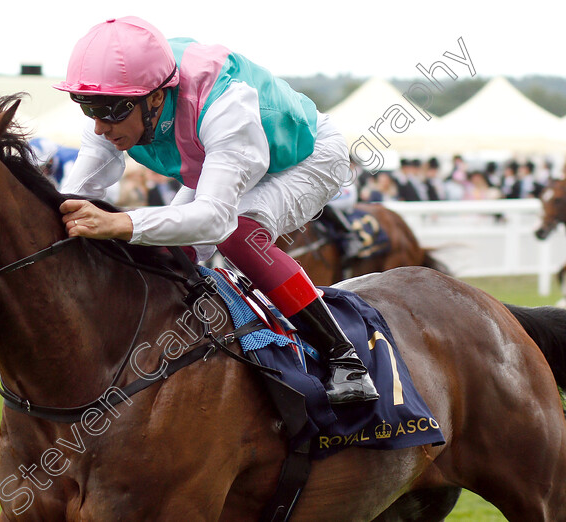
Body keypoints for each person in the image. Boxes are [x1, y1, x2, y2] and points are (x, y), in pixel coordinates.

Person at [52, 17, 378, 404]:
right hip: (216, 158)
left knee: (239, 236)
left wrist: (119, 222)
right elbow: (72, 196)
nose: (100, 126)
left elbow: (214, 219)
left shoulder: (225, 106)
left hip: (306, 156)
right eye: (88, 107)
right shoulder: (124, 100)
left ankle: (346, 359)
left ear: (156, 97)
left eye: (110, 111)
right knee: (174, 253)